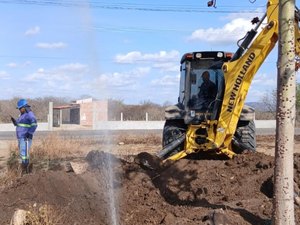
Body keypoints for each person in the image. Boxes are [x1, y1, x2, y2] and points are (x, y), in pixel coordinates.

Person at [11, 99, 37, 174]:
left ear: (24, 107)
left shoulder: (30, 114)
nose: (19, 110)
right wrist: (15, 122)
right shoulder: (22, 115)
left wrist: (29, 133)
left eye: (20, 108)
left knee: (24, 153)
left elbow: (34, 125)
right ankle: (24, 167)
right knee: (22, 153)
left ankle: (26, 169)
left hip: (25, 137)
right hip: (20, 137)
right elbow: (21, 124)